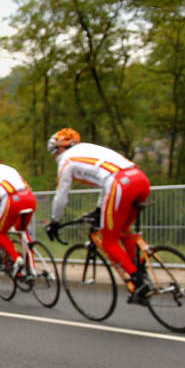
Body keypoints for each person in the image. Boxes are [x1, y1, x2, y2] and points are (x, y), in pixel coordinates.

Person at [44, 128, 153, 302]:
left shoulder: (66, 161)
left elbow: (61, 196)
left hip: (120, 184)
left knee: (109, 240)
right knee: (124, 230)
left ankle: (138, 280)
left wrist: (55, 221)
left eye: (54, 152)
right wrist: (98, 209)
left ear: (61, 148)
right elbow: (105, 179)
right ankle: (140, 271)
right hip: (140, 178)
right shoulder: (89, 148)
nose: (55, 156)